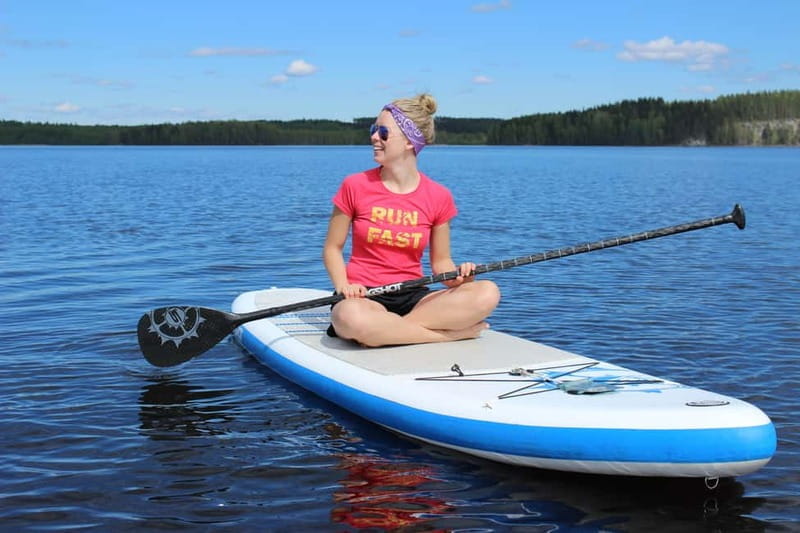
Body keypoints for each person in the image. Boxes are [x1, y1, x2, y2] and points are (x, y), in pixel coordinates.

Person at [322, 93, 500, 348]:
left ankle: (385, 333)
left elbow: (441, 263)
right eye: (374, 130)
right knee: (350, 317)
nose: (373, 137)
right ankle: (447, 335)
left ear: (409, 140)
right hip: (363, 297)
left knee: (487, 292)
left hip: (414, 296)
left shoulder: (439, 196)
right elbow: (332, 248)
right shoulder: (355, 185)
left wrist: (459, 277)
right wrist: (344, 286)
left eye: (383, 132)